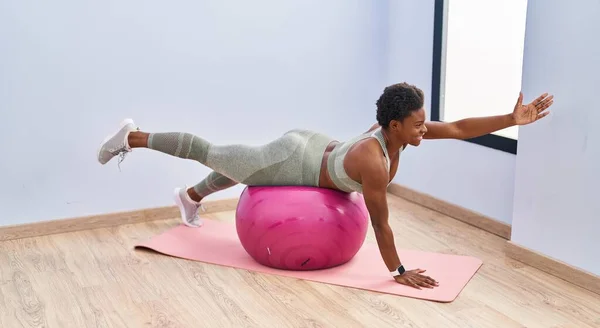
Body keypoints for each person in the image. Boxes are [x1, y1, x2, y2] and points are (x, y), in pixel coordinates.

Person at [96, 82, 553, 289]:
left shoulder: (399, 132)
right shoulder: (373, 161)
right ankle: (132, 138)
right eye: (416, 125)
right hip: (295, 159)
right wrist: (398, 272)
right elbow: (381, 225)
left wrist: (512, 119)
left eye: (421, 123)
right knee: (214, 152)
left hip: (317, 147)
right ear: (393, 125)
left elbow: (456, 127)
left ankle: (189, 198)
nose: (423, 130)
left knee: (244, 168)